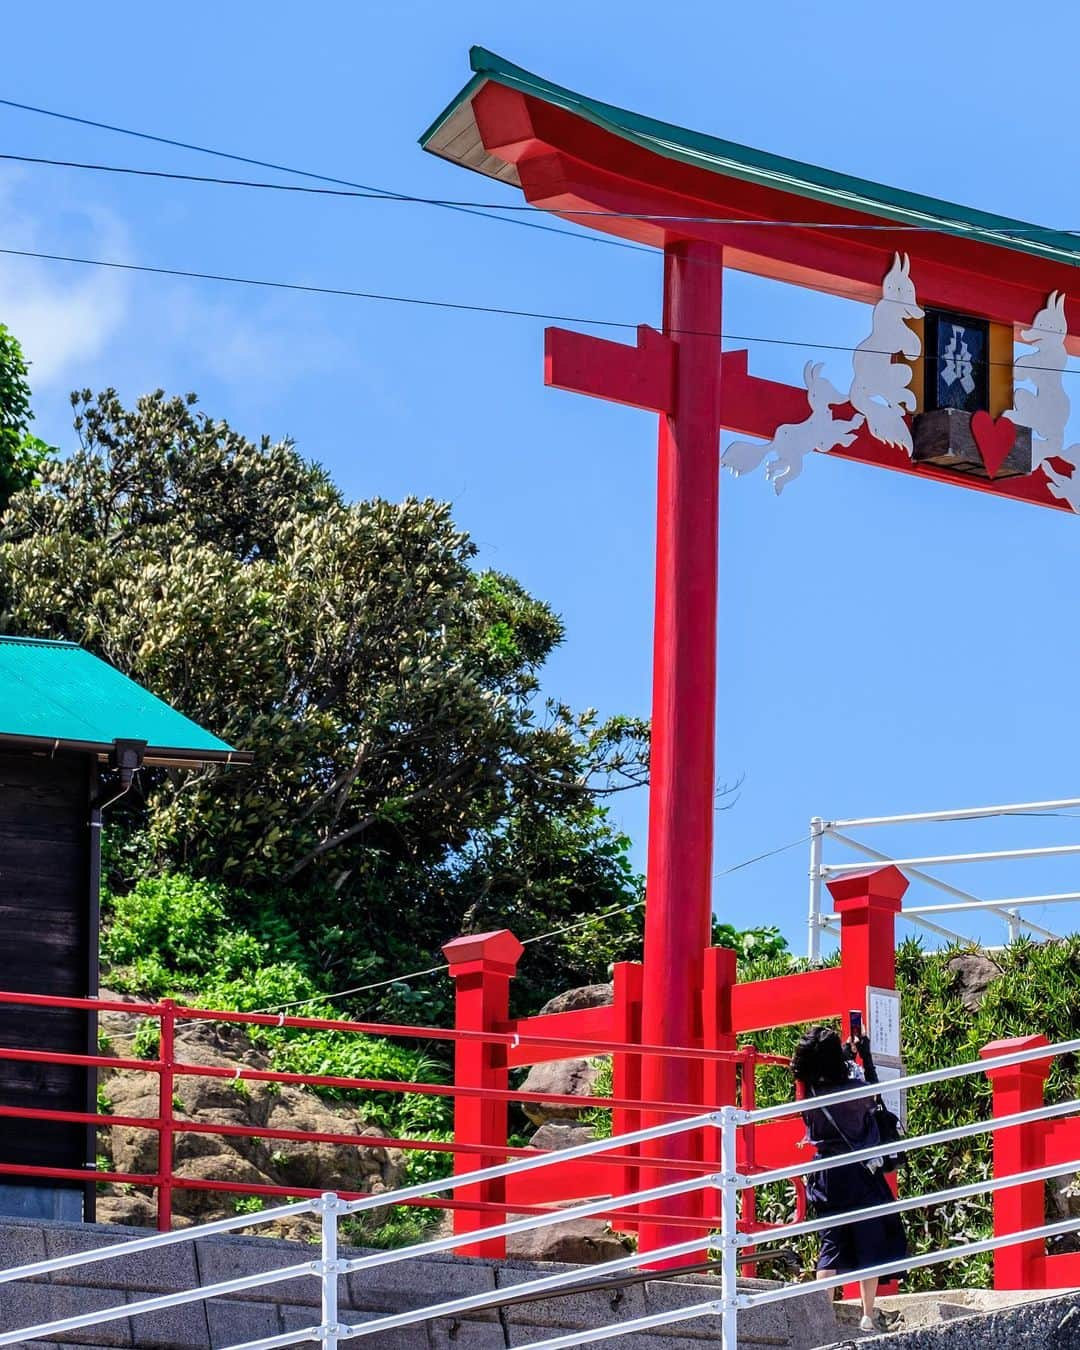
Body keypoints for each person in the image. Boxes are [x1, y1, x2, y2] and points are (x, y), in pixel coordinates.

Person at [791, 1024, 907, 1334]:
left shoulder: (808, 1089)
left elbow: (822, 1078)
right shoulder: (854, 1090)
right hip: (858, 1172)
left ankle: (822, 1318)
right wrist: (864, 1056)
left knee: (831, 1245)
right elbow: (874, 1097)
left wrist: (841, 1055)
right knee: (869, 1239)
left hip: (824, 1175)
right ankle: (867, 1314)